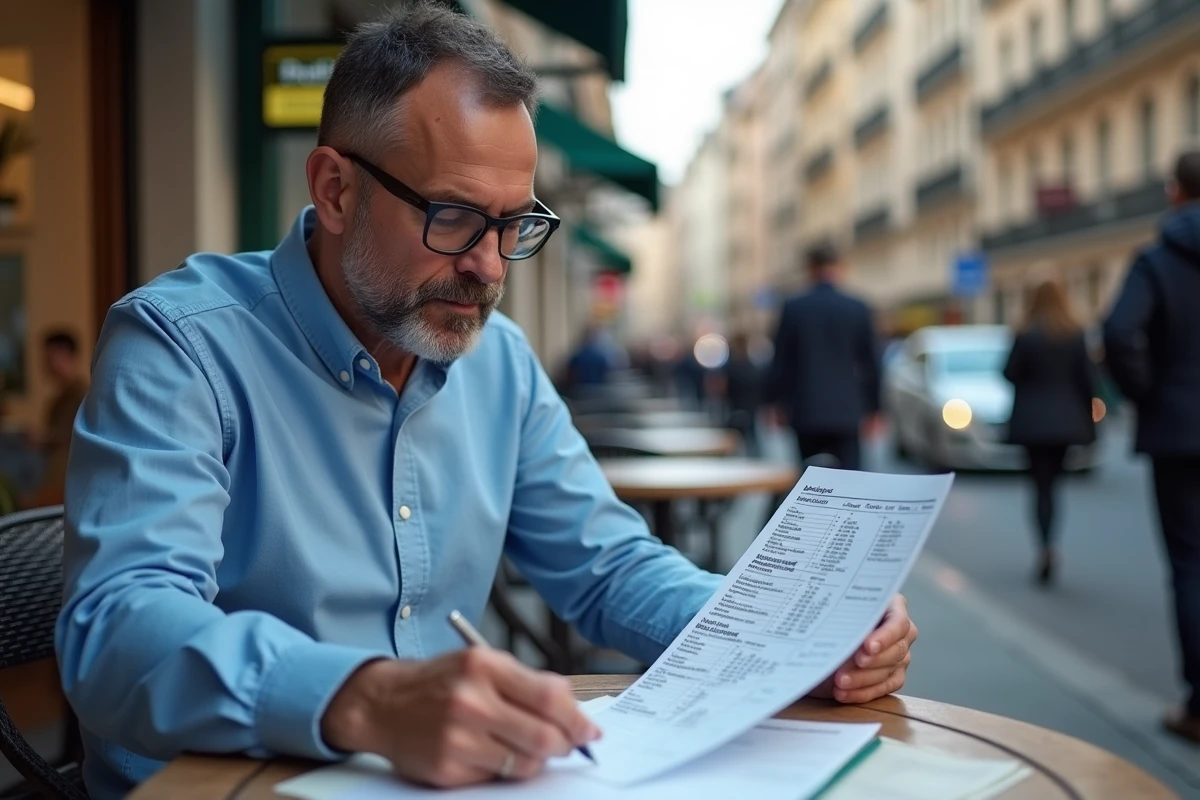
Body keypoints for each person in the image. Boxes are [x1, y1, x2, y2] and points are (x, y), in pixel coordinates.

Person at [53, 7, 919, 798]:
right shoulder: (181, 345)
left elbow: (608, 566)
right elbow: (116, 625)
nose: (490, 267)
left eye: (515, 226)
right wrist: (367, 698)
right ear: (334, 189)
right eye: (456, 217)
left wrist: (783, 638)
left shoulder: (496, 360)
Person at [1103, 149, 1200, 744]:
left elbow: (1118, 331)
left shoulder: (1160, 259)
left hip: (1180, 430)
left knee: (1191, 564)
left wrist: (1149, 393)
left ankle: (1199, 706)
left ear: (1173, 192)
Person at [1002, 281, 1098, 587]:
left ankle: (1044, 546)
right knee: (1054, 484)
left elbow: (1009, 373)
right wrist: (1092, 425)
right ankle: (1051, 543)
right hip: (1066, 421)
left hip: (1032, 422)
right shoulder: (1075, 333)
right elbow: (1087, 380)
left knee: (1040, 486)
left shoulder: (1025, 334)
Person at [766, 241, 882, 471]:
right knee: (849, 479)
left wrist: (775, 402)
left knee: (811, 481)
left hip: (805, 408)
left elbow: (780, 361)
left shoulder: (793, 307)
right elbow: (871, 363)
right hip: (847, 411)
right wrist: (875, 409)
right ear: (839, 267)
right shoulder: (857, 307)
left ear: (809, 268)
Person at [24, 329, 87, 508]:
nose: (44, 364)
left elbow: (69, 436)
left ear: (64, 354)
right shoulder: (59, 398)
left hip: (64, 478)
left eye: (48, 357)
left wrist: (43, 439)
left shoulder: (81, 394)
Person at [720, 331, 764, 456]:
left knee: (731, 447)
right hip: (751, 410)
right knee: (753, 445)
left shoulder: (730, 368)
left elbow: (721, 389)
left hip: (734, 409)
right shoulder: (753, 367)